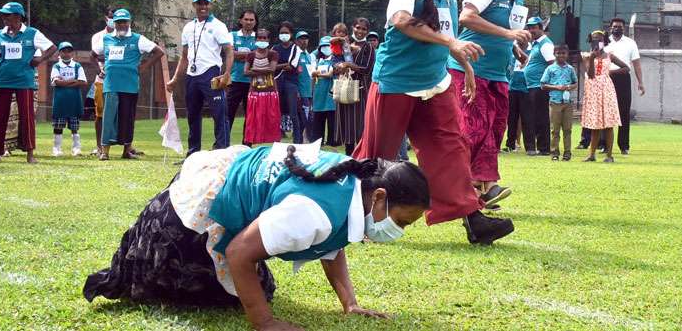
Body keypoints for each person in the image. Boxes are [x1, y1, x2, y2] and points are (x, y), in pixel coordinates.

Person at [84, 143, 430, 331]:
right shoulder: (316, 213)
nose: (399, 231)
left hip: (227, 182)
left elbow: (333, 245)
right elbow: (238, 252)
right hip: (193, 211)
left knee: (258, 288)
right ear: (380, 197)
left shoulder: (353, 180)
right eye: (402, 221)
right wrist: (263, 322)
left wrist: (349, 304)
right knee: (193, 288)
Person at [353, 0, 514, 244]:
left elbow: (449, 32)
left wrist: (465, 65)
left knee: (451, 149)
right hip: (397, 81)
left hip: (436, 82)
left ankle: (474, 219)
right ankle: (354, 215)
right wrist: (451, 44)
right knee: (378, 155)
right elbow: (401, 20)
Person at [447, 0, 536, 206]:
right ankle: (465, 189)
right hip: (470, 71)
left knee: (494, 130)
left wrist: (514, 49)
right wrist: (508, 34)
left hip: (499, 75)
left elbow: (505, 34)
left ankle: (483, 186)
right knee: (473, 130)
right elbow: (466, 17)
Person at [0, 2, 56, 164]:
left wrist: (40, 59)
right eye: (2, 15)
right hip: (2, 80)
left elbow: (52, 48)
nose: (3, 18)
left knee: (27, 117)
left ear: (18, 16)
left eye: (7, 15)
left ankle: (30, 154)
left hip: (24, 81)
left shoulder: (32, 33)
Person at [167, 0, 233, 156]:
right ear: (194, 5)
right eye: (199, 3)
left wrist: (226, 74)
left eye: (205, 3)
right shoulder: (189, 27)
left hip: (211, 72)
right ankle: (193, 153)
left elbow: (229, 51)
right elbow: (184, 57)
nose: (202, 6)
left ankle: (221, 151)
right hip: (192, 75)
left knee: (219, 113)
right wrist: (175, 79)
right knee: (192, 115)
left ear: (210, 4)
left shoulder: (218, 26)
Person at [93, 8, 164, 160]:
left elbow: (159, 51)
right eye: (118, 22)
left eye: (124, 22)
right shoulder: (106, 39)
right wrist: (99, 70)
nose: (121, 25)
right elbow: (94, 54)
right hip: (111, 85)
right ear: (114, 23)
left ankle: (126, 151)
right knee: (108, 118)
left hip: (130, 85)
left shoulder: (138, 39)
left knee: (128, 117)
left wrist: (144, 67)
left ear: (129, 22)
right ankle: (105, 151)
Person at [581, 31, 629, 163]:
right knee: (595, 124)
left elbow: (626, 68)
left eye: (600, 39)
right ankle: (592, 155)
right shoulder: (586, 56)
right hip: (593, 91)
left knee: (608, 124)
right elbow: (590, 75)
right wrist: (591, 58)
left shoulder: (610, 56)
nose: (597, 41)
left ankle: (609, 155)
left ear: (604, 41)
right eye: (595, 39)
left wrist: (609, 72)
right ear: (591, 41)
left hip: (606, 91)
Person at [333, 19, 375, 156]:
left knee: (359, 124)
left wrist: (349, 65)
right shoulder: (344, 42)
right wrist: (338, 67)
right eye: (358, 28)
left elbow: (367, 69)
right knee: (346, 122)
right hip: (344, 87)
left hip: (360, 90)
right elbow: (334, 59)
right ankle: (348, 155)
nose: (360, 31)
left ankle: (362, 155)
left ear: (367, 31)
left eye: (364, 29)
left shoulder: (368, 47)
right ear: (353, 27)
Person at [605, 17, 644, 154]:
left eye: (620, 27)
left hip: (623, 79)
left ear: (624, 28)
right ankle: (604, 145)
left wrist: (640, 82)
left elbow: (636, 64)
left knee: (624, 112)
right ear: (610, 28)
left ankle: (624, 146)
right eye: (615, 26)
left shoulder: (630, 43)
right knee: (606, 112)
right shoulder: (604, 42)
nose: (617, 28)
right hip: (606, 79)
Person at [522, 16, 554, 156]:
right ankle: (536, 147)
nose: (531, 30)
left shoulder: (545, 44)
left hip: (539, 86)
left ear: (541, 28)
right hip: (531, 86)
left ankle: (544, 148)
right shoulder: (534, 44)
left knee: (540, 117)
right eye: (529, 27)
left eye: (534, 27)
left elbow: (552, 65)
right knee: (532, 117)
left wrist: (547, 83)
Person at [242, 29, 281, 145]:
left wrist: (254, 69)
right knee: (253, 119)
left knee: (272, 119)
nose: (262, 40)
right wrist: (264, 70)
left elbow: (272, 70)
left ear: (268, 40)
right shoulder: (250, 55)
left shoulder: (273, 54)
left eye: (264, 38)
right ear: (256, 39)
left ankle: (272, 143)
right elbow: (245, 72)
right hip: (254, 92)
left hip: (270, 92)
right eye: (259, 38)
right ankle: (250, 143)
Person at [540, 44, 577, 161]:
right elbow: (543, 85)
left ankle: (567, 153)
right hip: (555, 102)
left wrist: (569, 87)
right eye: (558, 53)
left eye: (563, 53)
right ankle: (554, 152)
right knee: (555, 129)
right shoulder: (550, 69)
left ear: (567, 54)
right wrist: (557, 87)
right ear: (554, 54)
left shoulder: (570, 69)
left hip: (567, 103)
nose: (561, 55)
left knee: (567, 129)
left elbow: (575, 83)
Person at [50, 42, 88, 157]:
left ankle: (76, 148)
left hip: (74, 100)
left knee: (74, 127)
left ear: (72, 53)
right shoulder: (56, 66)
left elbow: (83, 82)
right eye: (63, 51)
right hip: (60, 101)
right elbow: (56, 82)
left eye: (69, 51)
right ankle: (57, 148)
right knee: (58, 126)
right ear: (59, 53)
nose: (66, 54)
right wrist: (73, 81)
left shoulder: (77, 66)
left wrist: (64, 83)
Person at [227, 10, 258, 142]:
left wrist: (239, 54)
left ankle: (247, 145)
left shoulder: (259, 38)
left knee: (250, 115)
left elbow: (259, 56)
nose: (249, 22)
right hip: (234, 80)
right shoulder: (232, 35)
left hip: (252, 81)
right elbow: (229, 53)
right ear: (241, 20)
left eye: (251, 20)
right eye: (246, 19)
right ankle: (222, 143)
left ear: (255, 22)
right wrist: (250, 55)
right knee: (228, 113)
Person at [272, 21, 302, 144]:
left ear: (291, 34)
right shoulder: (274, 48)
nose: (284, 35)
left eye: (286, 32)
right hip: (277, 82)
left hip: (291, 83)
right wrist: (283, 65)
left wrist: (277, 65)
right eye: (281, 33)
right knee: (276, 111)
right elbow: (271, 66)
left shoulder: (296, 48)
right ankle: (276, 139)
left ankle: (297, 140)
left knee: (293, 112)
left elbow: (292, 66)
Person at [90, 8, 115, 156]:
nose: (113, 20)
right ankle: (99, 146)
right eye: (111, 17)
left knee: (124, 113)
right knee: (100, 114)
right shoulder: (98, 37)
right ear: (106, 18)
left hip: (120, 80)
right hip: (102, 79)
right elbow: (95, 56)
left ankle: (127, 146)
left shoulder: (127, 34)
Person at [311, 36, 338, 146]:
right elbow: (312, 73)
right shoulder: (317, 60)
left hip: (330, 93)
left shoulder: (335, 60)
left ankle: (332, 141)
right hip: (318, 94)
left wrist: (317, 73)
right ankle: (318, 141)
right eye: (323, 46)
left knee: (332, 119)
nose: (326, 48)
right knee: (318, 119)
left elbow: (330, 74)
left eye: (328, 46)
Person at [503, 39, 528, 152]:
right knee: (511, 118)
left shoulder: (531, 51)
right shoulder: (512, 54)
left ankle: (527, 145)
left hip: (526, 89)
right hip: (512, 88)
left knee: (525, 118)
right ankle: (510, 144)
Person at [295, 30, 316, 142]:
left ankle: (303, 142)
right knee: (302, 120)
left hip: (309, 93)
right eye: (301, 38)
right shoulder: (295, 54)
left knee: (308, 119)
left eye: (306, 38)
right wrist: (296, 91)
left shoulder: (310, 56)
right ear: (296, 41)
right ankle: (298, 142)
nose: (304, 41)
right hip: (300, 92)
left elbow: (312, 75)